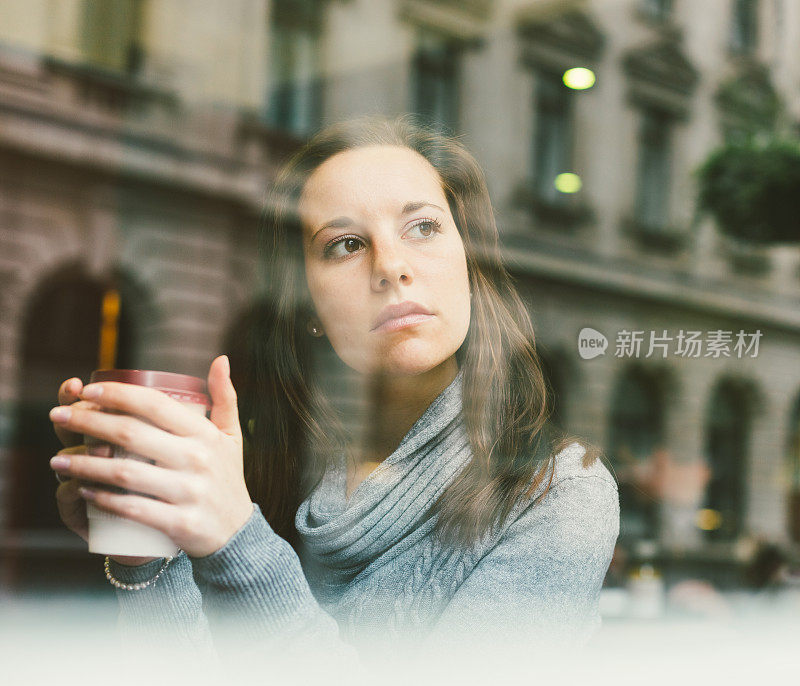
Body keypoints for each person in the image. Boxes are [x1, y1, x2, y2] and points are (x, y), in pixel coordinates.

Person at [49, 114, 619, 676]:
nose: (391, 267)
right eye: (345, 244)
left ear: (469, 261)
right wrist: (146, 557)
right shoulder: (276, 466)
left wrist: (235, 539)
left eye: (422, 227)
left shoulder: (560, 494)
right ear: (309, 306)